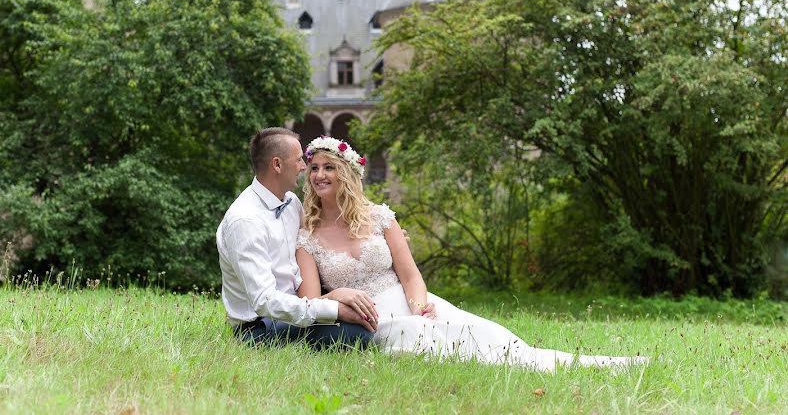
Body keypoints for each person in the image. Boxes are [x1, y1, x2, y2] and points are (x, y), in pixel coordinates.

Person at [296, 136, 650, 372]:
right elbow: (310, 302)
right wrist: (338, 295)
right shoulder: (307, 237)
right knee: (426, 343)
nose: (319, 175)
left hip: (410, 301)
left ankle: (608, 364)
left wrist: (421, 305)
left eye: (329, 168)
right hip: (369, 317)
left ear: (347, 175)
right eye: (314, 168)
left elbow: (410, 276)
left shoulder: (380, 218)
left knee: (494, 340)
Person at [216, 127, 378, 348]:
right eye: (299, 160)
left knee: (364, 314)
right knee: (359, 334)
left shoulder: (291, 202)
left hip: (303, 308)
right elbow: (265, 301)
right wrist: (333, 307)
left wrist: (374, 239)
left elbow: (320, 240)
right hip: (262, 327)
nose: (304, 167)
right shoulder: (245, 220)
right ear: (277, 165)